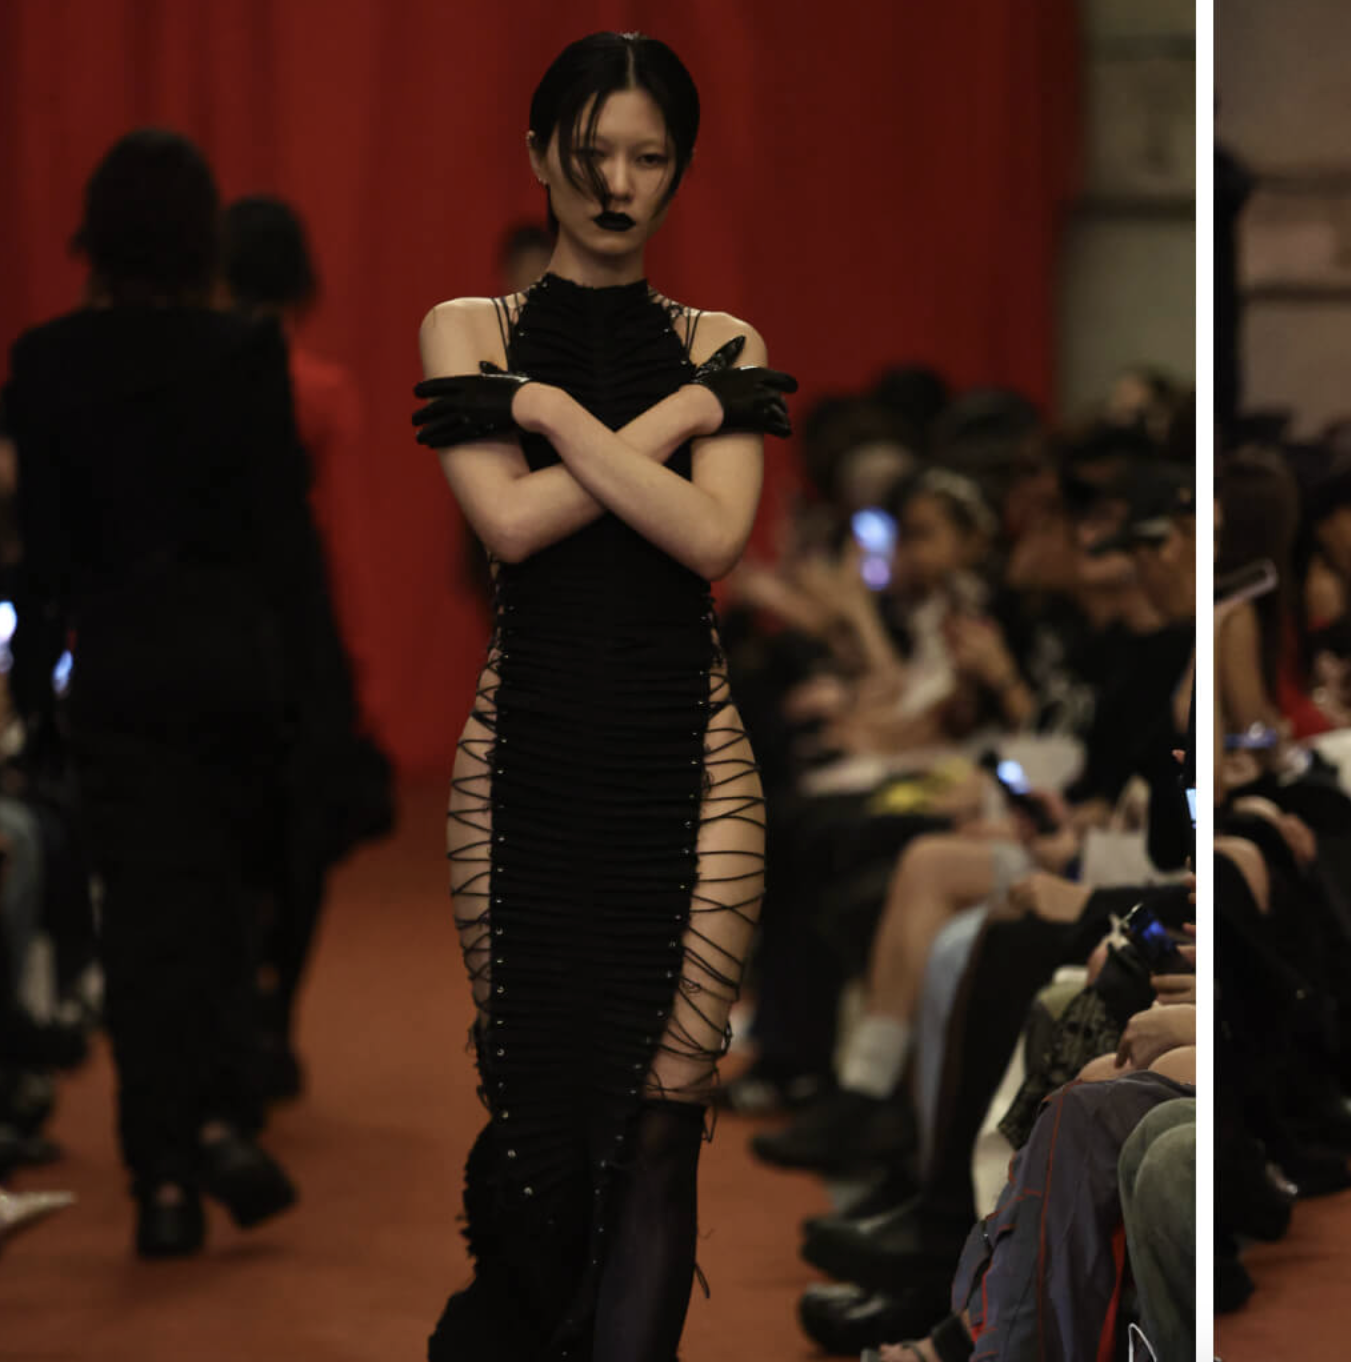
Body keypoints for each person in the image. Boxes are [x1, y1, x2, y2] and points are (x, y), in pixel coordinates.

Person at [408, 31, 796, 1358]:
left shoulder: (725, 340)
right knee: (540, 1105)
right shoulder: (470, 329)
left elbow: (711, 543)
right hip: (523, 757)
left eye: (649, 157)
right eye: (592, 155)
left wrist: (559, 418)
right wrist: (661, 423)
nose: (618, 182)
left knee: (666, 1115)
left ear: (679, 168)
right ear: (538, 158)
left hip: (691, 756)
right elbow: (510, 529)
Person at [4, 128, 317, 1257]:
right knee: (226, 904)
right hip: (230, 662)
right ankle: (222, 1119)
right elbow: (284, 548)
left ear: (95, 233)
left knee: (137, 923)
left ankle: (164, 1181)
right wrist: (320, 701)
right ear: (200, 233)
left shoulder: (42, 363)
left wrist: (37, 699)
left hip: (120, 664)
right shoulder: (244, 352)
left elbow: (39, 560)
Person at [219, 194, 394, 1102]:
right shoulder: (317, 392)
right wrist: (358, 672)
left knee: (226, 835)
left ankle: (237, 1008)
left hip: (215, 631)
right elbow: (337, 541)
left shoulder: (195, 383)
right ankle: (274, 1008)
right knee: (299, 840)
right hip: (298, 640)